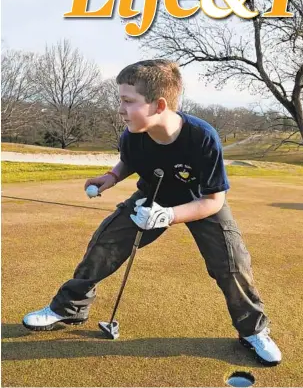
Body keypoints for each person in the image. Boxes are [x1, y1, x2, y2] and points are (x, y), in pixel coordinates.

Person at [22, 59, 282, 366]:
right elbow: (129, 161)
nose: (120, 108)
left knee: (232, 263)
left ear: (159, 105)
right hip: (152, 195)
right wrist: (111, 177)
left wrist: (168, 215)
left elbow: (213, 200)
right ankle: (70, 308)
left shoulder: (202, 137)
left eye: (128, 101)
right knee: (104, 243)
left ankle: (252, 331)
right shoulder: (132, 134)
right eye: (120, 99)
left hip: (199, 202)